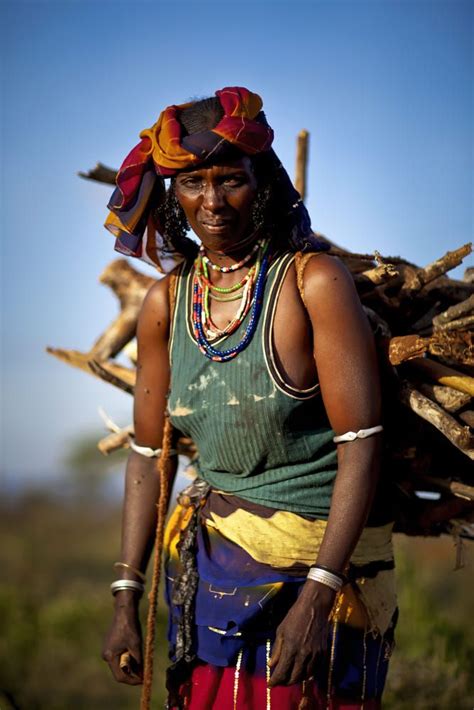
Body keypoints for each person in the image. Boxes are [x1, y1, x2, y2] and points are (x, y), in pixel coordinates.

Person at [102, 86, 397, 709]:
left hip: (323, 579)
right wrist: (126, 594)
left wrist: (319, 594)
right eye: (192, 183)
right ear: (170, 196)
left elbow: (362, 445)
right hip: (213, 573)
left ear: (260, 183)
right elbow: (146, 453)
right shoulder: (167, 302)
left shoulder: (312, 283)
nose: (212, 202)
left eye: (231, 180)